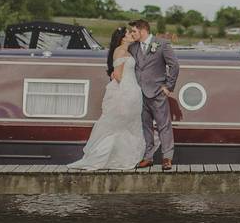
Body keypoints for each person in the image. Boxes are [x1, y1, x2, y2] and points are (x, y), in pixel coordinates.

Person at [67, 27, 145, 170]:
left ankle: (121, 158)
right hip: (125, 92)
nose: (131, 34)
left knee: (127, 126)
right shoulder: (120, 51)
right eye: (129, 33)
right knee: (117, 125)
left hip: (132, 92)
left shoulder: (127, 51)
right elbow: (118, 76)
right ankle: (103, 157)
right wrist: (127, 90)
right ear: (122, 38)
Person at [129, 19, 180, 170]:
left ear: (143, 30)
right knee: (146, 126)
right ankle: (148, 157)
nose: (132, 34)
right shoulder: (133, 47)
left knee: (164, 125)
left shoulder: (162, 44)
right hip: (139, 94)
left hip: (158, 92)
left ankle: (167, 158)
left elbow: (174, 65)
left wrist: (168, 86)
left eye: (134, 31)